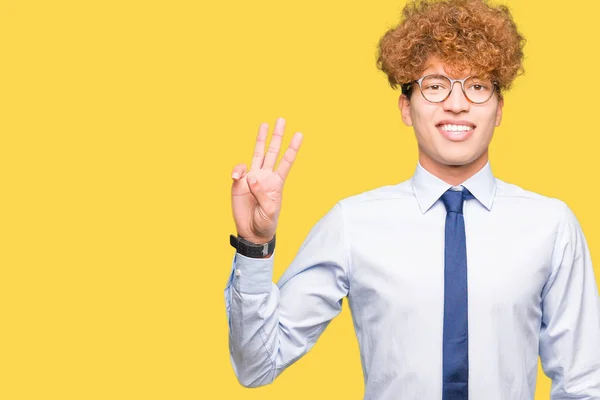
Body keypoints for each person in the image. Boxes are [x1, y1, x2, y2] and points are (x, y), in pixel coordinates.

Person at [224, 0, 600, 398]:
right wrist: (254, 247)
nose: (457, 104)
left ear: (499, 108)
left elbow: (584, 383)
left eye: (477, 86)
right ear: (406, 106)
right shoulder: (353, 224)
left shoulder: (551, 225)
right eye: (435, 85)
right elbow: (257, 365)